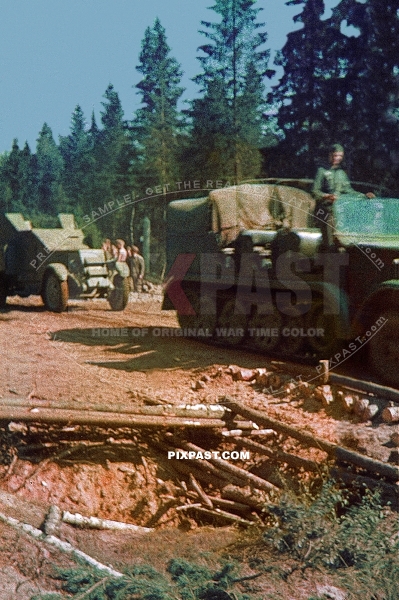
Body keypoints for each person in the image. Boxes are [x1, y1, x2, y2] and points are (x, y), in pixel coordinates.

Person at [313, 143, 375, 248]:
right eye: (335, 155)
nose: (337, 158)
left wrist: (364, 195)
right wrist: (326, 196)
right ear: (330, 154)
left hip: (340, 211)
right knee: (328, 241)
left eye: (340, 156)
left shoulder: (341, 173)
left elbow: (349, 191)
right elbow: (315, 191)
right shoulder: (322, 171)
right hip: (326, 210)